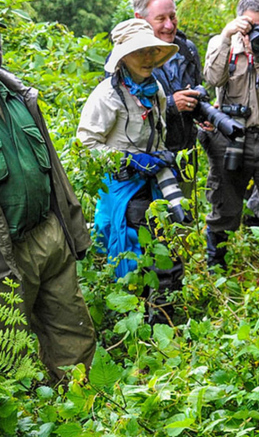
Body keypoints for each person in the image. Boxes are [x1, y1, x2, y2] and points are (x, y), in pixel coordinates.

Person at [0, 22, 96, 379]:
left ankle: (79, 420)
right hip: (6, 252)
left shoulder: (17, 96)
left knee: (74, 336)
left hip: (48, 233)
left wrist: (72, 229)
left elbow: (54, 171)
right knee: (11, 359)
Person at [77, 18, 183, 325]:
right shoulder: (106, 96)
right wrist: (127, 159)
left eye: (152, 52)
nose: (148, 59)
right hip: (122, 187)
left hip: (153, 184)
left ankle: (163, 319)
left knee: (165, 249)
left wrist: (160, 156)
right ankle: (130, 321)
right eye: (141, 53)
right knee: (128, 254)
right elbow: (85, 144)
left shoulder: (156, 90)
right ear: (123, 57)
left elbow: (157, 131)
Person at [202, 0, 259, 269]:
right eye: (254, 26)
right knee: (225, 206)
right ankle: (216, 266)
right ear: (240, 21)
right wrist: (226, 36)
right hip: (232, 135)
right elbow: (212, 79)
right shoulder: (223, 45)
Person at [132, 0, 203, 157]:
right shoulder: (128, 57)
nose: (169, 25)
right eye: (161, 19)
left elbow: (196, 88)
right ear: (140, 18)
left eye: (172, 16)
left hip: (185, 154)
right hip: (147, 158)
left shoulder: (187, 50)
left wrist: (202, 111)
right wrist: (170, 104)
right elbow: (125, 113)